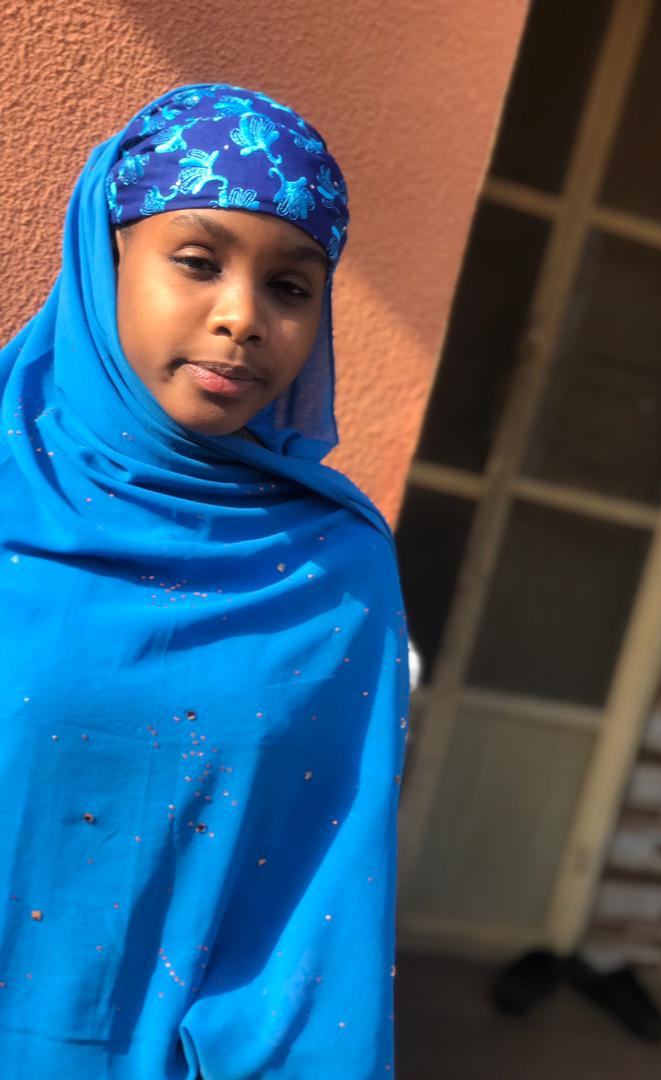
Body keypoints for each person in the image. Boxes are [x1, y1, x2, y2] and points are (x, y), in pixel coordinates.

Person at [0, 83, 408, 1079]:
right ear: (109, 255)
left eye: (291, 287)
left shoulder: (334, 572)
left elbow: (321, 917)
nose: (242, 319)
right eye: (197, 261)